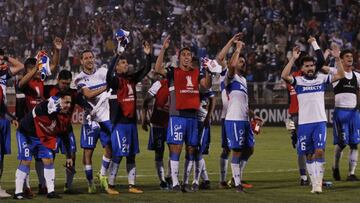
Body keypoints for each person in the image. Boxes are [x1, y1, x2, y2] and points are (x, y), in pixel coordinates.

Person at [281, 45, 345, 194]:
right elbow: (284, 75)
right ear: (302, 68)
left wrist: (337, 58)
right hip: (303, 124)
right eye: (306, 66)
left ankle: (318, 184)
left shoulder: (322, 78)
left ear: (314, 66)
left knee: (319, 152)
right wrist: (293, 59)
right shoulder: (298, 81)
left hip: (319, 122)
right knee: (308, 154)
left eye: (311, 65)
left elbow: (340, 75)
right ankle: (312, 181)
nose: (310, 68)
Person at [154, 36, 212, 192]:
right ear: (179, 58)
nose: (186, 57)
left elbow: (206, 86)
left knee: (191, 149)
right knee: (176, 149)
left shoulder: (197, 73)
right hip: (177, 116)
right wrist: (163, 49)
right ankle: (174, 182)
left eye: (189, 55)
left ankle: (185, 181)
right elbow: (157, 68)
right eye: (184, 55)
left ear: (192, 58)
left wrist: (209, 72)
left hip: (192, 117)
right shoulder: (173, 72)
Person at [17, 37, 62, 195]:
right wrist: (35, 68)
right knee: (26, 157)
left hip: (41, 125)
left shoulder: (41, 81)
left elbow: (54, 66)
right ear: (29, 68)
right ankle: (25, 187)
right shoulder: (27, 83)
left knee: (40, 158)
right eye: (32, 67)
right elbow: (20, 84)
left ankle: (43, 185)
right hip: (28, 126)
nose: (38, 68)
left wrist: (57, 50)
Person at [106, 41, 152, 194]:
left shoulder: (132, 79)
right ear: (117, 67)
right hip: (120, 124)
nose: (126, 65)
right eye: (123, 63)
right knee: (118, 154)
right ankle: (110, 185)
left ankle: (132, 185)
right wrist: (116, 57)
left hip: (131, 124)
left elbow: (147, 69)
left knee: (131, 155)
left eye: (126, 63)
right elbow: (108, 76)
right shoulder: (116, 81)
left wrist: (148, 55)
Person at [14, 91, 73, 199]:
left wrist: (69, 156)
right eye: (66, 102)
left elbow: (65, 135)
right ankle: (18, 192)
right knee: (26, 160)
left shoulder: (65, 117)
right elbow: (45, 106)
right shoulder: (46, 107)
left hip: (43, 137)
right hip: (26, 134)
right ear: (59, 101)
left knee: (48, 160)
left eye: (70, 103)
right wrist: (51, 103)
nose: (69, 106)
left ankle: (51, 191)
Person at [73, 50, 113, 194]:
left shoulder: (103, 71)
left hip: (105, 118)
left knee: (111, 147)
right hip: (90, 120)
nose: (89, 60)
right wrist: (106, 86)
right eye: (86, 58)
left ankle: (102, 174)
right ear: (81, 61)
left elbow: (114, 81)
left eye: (91, 57)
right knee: (87, 153)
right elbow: (88, 94)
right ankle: (90, 183)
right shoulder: (79, 79)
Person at [44, 70, 90, 193]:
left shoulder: (73, 93)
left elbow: (83, 102)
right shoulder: (48, 90)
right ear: (58, 80)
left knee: (72, 156)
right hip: (52, 131)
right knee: (49, 157)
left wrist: (90, 108)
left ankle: (68, 186)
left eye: (68, 83)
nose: (65, 86)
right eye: (63, 83)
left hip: (66, 130)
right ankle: (49, 186)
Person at [224, 40, 261, 193]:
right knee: (237, 151)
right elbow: (231, 66)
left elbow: (244, 103)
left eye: (244, 62)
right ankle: (237, 184)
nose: (243, 63)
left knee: (250, 149)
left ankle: (235, 177)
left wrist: (254, 115)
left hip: (245, 120)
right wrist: (237, 48)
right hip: (234, 119)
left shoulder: (244, 80)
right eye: (241, 61)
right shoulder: (230, 77)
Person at [331, 49, 360, 181]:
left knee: (354, 144)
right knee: (342, 143)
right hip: (341, 112)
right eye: (347, 56)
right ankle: (335, 167)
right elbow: (322, 67)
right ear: (342, 59)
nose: (350, 58)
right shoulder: (335, 73)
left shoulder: (357, 76)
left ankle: (351, 173)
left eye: (351, 56)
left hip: (354, 113)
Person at [0, 49, 23, 198]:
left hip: (3, 118)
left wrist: (6, 58)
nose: (2, 64)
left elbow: (20, 66)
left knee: (1, 155)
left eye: (2, 61)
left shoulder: (4, 75)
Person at [141, 75, 170, 190]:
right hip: (158, 123)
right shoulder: (159, 84)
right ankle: (162, 180)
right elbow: (146, 99)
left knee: (174, 150)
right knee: (159, 152)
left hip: (172, 123)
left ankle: (169, 177)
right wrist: (144, 118)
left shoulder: (179, 83)